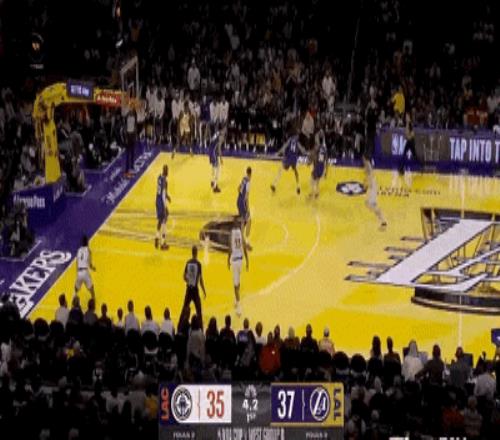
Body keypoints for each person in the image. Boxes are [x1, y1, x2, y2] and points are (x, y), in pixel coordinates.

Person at [270, 130, 306, 195]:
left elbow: (284, 147)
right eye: (297, 135)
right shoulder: (297, 142)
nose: (298, 137)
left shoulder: (290, 140)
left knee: (281, 168)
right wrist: (306, 152)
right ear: (295, 136)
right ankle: (298, 186)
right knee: (295, 171)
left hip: (288, 158)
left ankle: (274, 184)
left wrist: (278, 153)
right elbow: (302, 151)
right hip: (294, 159)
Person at [181, 245, 207, 329]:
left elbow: (184, 277)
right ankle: (201, 329)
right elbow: (200, 279)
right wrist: (204, 291)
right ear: (196, 253)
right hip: (195, 290)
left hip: (189, 289)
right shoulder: (198, 264)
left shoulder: (188, 262)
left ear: (192, 252)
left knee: (184, 308)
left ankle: (180, 326)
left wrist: (189, 281)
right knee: (199, 311)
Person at [228, 216, 249, 317]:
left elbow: (230, 248)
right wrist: (247, 260)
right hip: (241, 260)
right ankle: (237, 301)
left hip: (235, 261)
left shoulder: (231, 234)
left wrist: (228, 260)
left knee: (235, 285)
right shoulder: (240, 233)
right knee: (238, 283)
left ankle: (239, 307)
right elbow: (244, 246)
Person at [363, 157, 387, 230]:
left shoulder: (368, 166)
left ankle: (383, 222)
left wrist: (366, 184)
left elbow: (369, 178)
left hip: (372, 187)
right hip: (372, 186)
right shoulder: (368, 168)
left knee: (371, 204)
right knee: (371, 205)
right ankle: (383, 221)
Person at [74, 235, 96, 300]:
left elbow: (77, 262)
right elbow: (90, 264)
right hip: (85, 272)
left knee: (76, 288)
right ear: (87, 242)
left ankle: (74, 297)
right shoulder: (88, 250)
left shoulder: (78, 250)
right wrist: (92, 268)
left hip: (79, 271)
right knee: (91, 289)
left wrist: (77, 272)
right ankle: (93, 300)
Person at [155, 164, 171, 250]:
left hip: (157, 201)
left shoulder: (159, 177)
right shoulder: (165, 181)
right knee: (164, 219)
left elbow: (161, 191)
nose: (168, 172)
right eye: (167, 170)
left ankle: (157, 237)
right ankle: (163, 243)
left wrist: (167, 196)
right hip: (161, 202)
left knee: (160, 220)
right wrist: (165, 207)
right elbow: (163, 194)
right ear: (165, 171)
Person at [236, 167, 252, 249]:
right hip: (243, 203)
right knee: (249, 220)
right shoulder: (248, 182)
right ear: (251, 174)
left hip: (238, 200)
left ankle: (242, 240)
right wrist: (248, 209)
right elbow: (246, 197)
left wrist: (240, 195)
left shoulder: (243, 179)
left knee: (242, 221)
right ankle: (246, 242)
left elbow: (238, 188)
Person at [309, 132, 328, 199]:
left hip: (317, 166)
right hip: (322, 167)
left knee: (312, 180)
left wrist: (310, 162)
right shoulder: (325, 149)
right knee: (317, 181)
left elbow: (314, 157)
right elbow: (326, 161)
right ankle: (317, 193)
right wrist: (326, 172)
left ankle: (312, 194)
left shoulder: (317, 148)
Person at [208, 127, 225, 193]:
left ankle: (212, 182)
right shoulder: (220, 136)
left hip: (210, 152)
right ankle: (215, 187)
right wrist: (221, 158)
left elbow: (212, 143)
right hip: (213, 153)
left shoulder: (216, 133)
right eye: (224, 130)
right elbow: (219, 148)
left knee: (213, 168)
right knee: (218, 169)